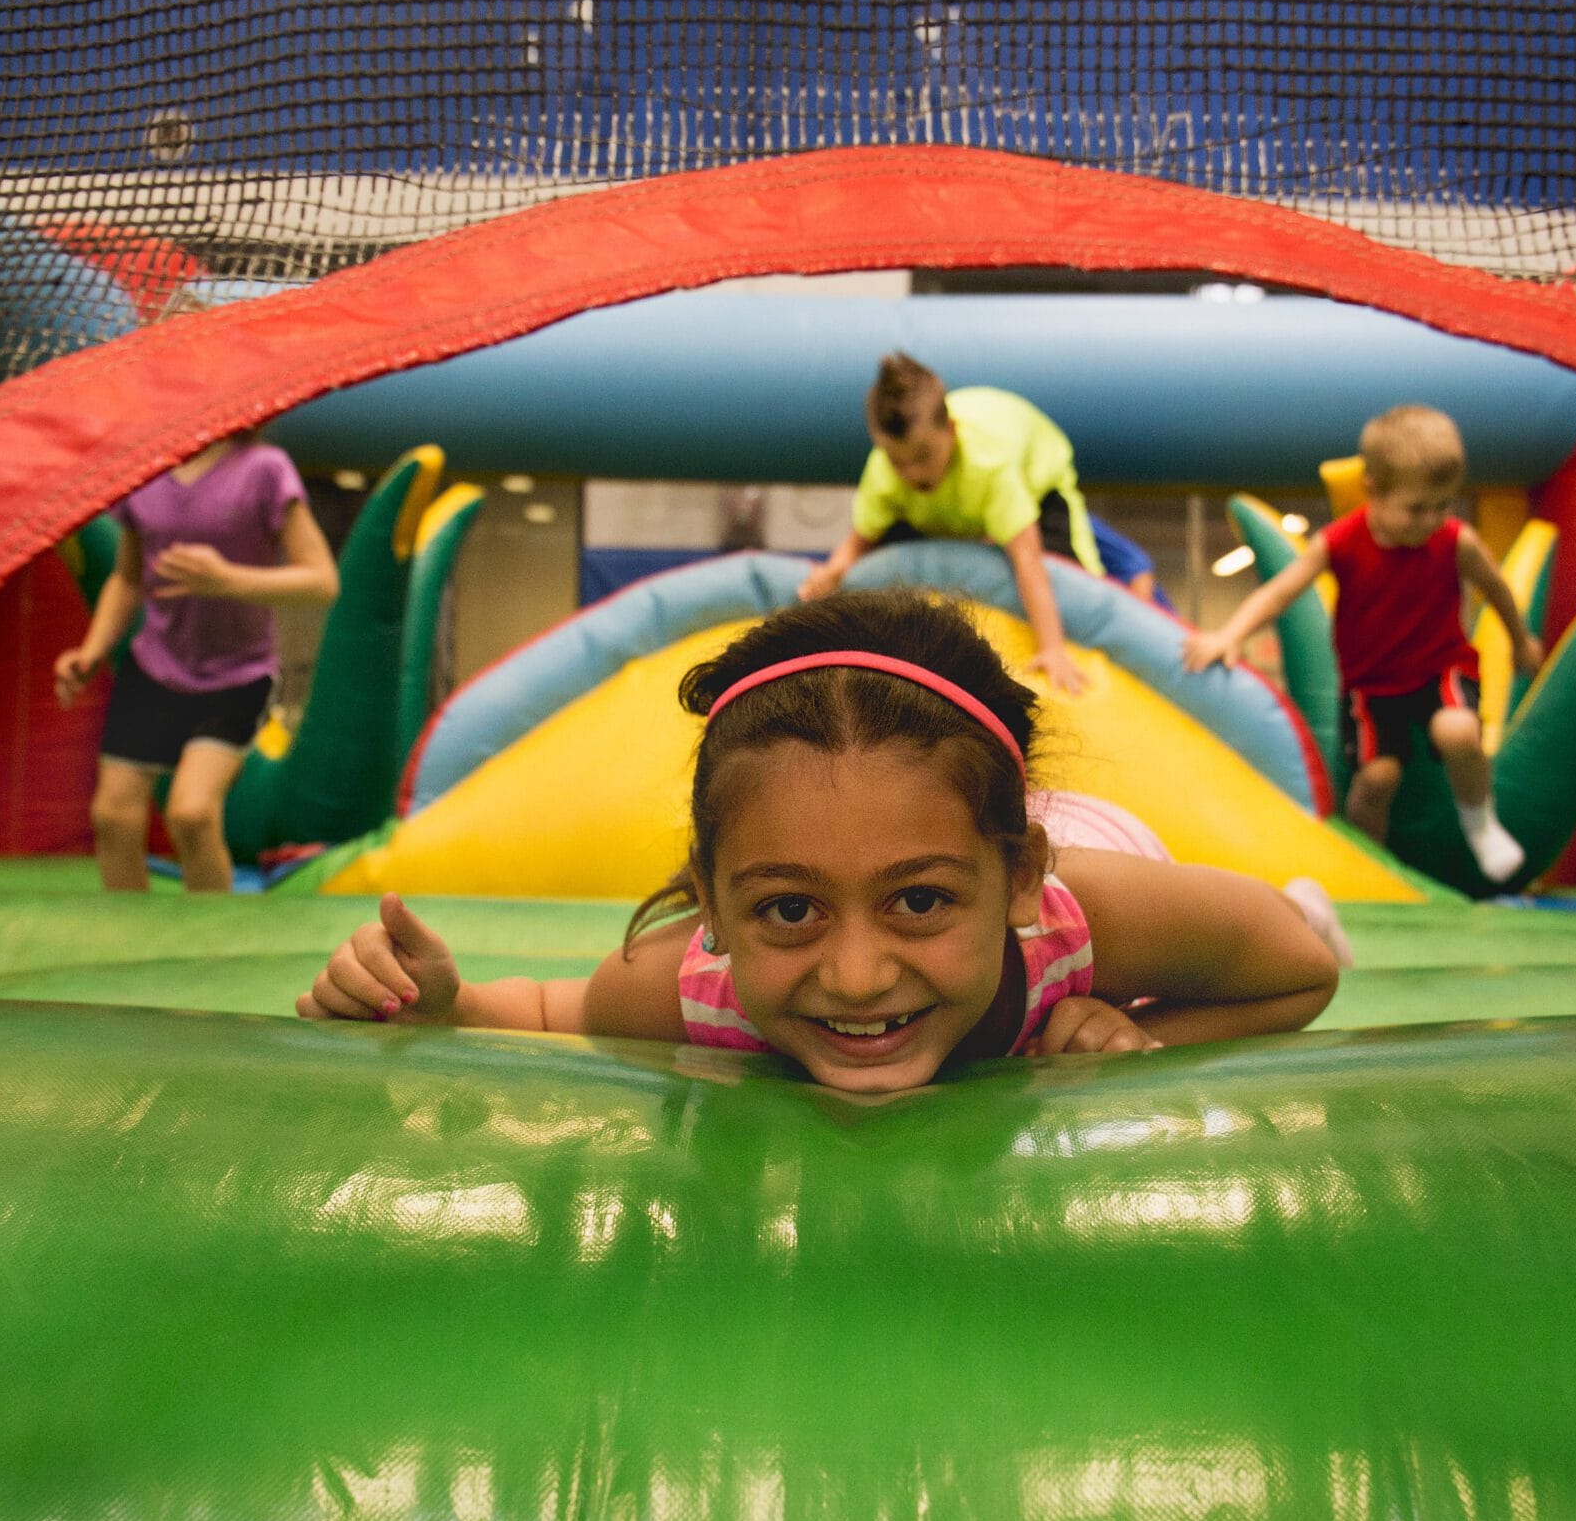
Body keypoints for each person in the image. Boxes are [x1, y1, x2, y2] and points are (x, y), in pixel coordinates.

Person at [298, 590, 1341, 1091]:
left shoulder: (1082, 910)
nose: (852, 975)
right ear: (708, 903)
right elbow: (538, 1007)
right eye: (789, 908)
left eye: (917, 902)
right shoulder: (705, 985)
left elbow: (1300, 975)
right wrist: (438, 1005)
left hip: (1090, 863)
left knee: (1283, 914)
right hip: (980, 860)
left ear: (1016, 878)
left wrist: (1138, 1039)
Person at [1179, 405, 1543, 884]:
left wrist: (1520, 642)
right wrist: (1228, 635)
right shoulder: (1340, 543)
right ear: (1373, 488)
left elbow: (1496, 590)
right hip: (1372, 686)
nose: (1431, 519)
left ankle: (1481, 825)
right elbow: (1280, 592)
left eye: (1443, 505)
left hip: (1440, 668)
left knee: (1457, 732)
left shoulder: (1456, 541)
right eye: (1417, 508)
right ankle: (1370, 864)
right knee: (1376, 781)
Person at [53, 434, 338, 892]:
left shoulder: (264, 468)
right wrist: (91, 650)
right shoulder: (144, 470)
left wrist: (228, 580)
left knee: (191, 813)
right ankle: (125, 940)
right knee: (112, 816)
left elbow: (321, 580)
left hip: (237, 675)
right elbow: (128, 578)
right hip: (154, 668)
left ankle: (211, 942)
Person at [799, 354, 1102, 696]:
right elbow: (858, 544)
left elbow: (1028, 560)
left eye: (923, 456)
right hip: (953, 509)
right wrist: (833, 572)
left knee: (1072, 582)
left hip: (1038, 486)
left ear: (952, 432)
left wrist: (1052, 648)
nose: (912, 473)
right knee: (882, 563)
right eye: (898, 461)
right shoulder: (886, 473)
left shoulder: (991, 467)